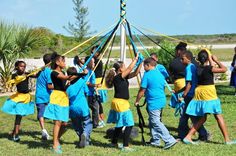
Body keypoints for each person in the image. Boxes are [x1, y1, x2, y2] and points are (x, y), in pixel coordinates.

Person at [183, 50, 236, 145]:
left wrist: (210, 59)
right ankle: (227, 140)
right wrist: (216, 60)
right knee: (218, 115)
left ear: (198, 59)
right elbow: (224, 69)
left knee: (203, 118)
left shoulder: (196, 68)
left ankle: (188, 136)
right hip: (209, 92)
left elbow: (208, 66)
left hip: (200, 92)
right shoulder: (209, 68)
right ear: (207, 58)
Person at [135, 57, 177, 150]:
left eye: (144, 66)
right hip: (161, 100)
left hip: (154, 101)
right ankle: (155, 140)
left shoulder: (147, 74)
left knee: (155, 121)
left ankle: (169, 140)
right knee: (152, 120)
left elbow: (142, 90)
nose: (144, 68)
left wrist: (137, 101)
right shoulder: (159, 73)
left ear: (148, 65)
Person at [105, 54, 142, 152]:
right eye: (124, 66)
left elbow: (135, 73)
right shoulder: (118, 77)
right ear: (120, 69)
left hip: (120, 102)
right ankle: (125, 146)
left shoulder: (123, 77)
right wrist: (135, 59)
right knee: (129, 124)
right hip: (120, 103)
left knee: (120, 124)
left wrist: (140, 63)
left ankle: (114, 142)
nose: (125, 67)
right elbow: (130, 68)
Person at [43, 52, 77, 154]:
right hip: (57, 97)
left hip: (64, 97)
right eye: (63, 61)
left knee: (65, 123)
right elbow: (67, 78)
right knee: (58, 122)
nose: (65, 63)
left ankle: (56, 139)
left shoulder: (63, 73)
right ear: (58, 62)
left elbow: (66, 84)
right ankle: (54, 145)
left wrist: (79, 76)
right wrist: (78, 74)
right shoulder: (54, 73)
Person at [178, 51, 208, 141]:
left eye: (182, 58)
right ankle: (203, 134)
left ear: (188, 58)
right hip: (193, 94)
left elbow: (189, 83)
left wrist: (183, 95)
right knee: (191, 116)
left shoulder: (188, 68)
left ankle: (184, 135)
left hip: (190, 95)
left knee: (186, 116)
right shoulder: (192, 66)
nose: (180, 60)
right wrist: (178, 91)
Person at [1, 61, 35, 142]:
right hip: (19, 97)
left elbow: (36, 75)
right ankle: (15, 135)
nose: (23, 68)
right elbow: (13, 81)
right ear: (17, 67)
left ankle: (14, 132)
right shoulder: (15, 75)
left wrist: (40, 70)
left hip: (26, 97)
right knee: (19, 115)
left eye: (24, 66)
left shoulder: (27, 74)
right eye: (21, 66)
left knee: (20, 115)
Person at [66, 67, 92, 148]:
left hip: (72, 109)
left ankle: (82, 139)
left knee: (77, 126)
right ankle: (85, 134)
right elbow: (87, 92)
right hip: (82, 107)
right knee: (88, 123)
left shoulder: (67, 86)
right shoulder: (82, 81)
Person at [35, 53, 53, 140]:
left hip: (40, 95)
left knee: (41, 114)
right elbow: (49, 86)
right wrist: (59, 86)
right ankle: (45, 131)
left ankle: (43, 130)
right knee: (46, 114)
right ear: (51, 61)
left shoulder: (40, 70)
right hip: (46, 96)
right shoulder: (49, 72)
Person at [91, 45, 107, 128]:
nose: (92, 53)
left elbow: (91, 67)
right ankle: (100, 120)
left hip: (98, 82)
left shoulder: (97, 61)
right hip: (97, 82)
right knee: (98, 103)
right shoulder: (96, 60)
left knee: (98, 103)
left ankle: (101, 120)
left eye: (94, 51)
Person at [84, 56, 101, 128]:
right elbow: (86, 83)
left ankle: (95, 123)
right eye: (92, 62)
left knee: (96, 108)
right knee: (88, 109)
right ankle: (87, 123)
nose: (94, 63)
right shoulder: (86, 71)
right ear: (88, 63)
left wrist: (96, 90)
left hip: (92, 93)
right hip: (87, 93)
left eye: (94, 62)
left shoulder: (92, 71)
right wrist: (95, 85)